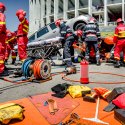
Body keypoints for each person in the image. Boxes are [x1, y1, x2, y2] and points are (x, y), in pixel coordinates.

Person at [0, 2, 9, 76]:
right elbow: (2, 25)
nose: (3, 11)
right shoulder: (1, 15)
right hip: (1, 36)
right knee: (1, 53)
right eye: (3, 9)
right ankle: (1, 71)